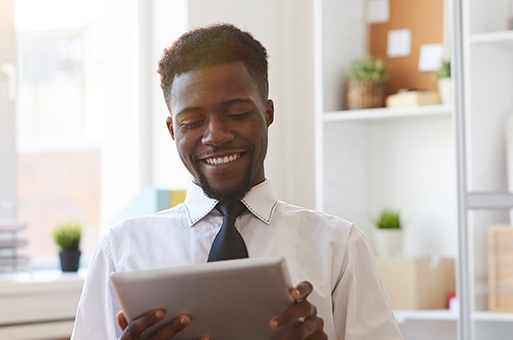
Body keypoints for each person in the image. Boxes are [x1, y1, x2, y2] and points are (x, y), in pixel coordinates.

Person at [70, 23, 402, 340]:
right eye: (193, 121)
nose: (216, 136)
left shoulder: (338, 248)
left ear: (268, 113)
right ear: (173, 130)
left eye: (238, 113)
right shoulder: (122, 251)